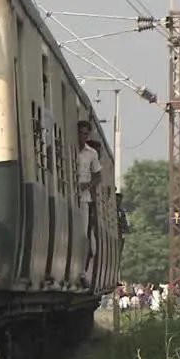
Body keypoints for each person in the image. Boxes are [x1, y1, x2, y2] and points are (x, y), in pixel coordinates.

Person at [76, 121, 103, 283]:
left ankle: (82, 271)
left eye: (85, 133)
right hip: (70, 197)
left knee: (82, 236)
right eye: (80, 132)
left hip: (84, 198)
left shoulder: (91, 153)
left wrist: (87, 185)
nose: (82, 136)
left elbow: (98, 175)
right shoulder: (69, 149)